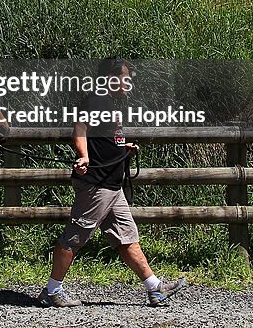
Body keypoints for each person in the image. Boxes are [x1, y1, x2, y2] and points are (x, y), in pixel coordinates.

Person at [38, 56, 187, 308]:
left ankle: (155, 288)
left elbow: (106, 135)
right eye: (124, 79)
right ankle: (52, 290)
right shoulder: (94, 100)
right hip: (96, 183)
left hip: (112, 184)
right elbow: (80, 129)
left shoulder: (110, 103)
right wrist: (83, 155)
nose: (127, 84)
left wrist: (122, 147)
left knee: (127, 237)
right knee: (74, 237)